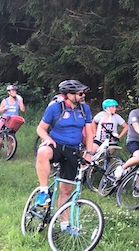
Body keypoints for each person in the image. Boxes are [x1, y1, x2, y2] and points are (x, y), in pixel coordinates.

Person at [33, 80, 96, 233]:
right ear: (69, 95)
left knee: (66, 190)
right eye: (79, 93)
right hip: (56, 145)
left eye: (83, 93)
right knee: (43, 152)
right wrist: (47, 139)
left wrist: (89, 153)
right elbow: (41, 129)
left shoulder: (85, 109)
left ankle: (64, 225)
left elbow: (89, 133)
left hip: (73, 149)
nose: (83, 96)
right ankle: (43, 192)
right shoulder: (55, 108)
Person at [113, 94, 139, 190]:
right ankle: (121, 168)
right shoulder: (134, 113)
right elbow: (135, 125)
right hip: (134, 140)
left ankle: (137, 187)